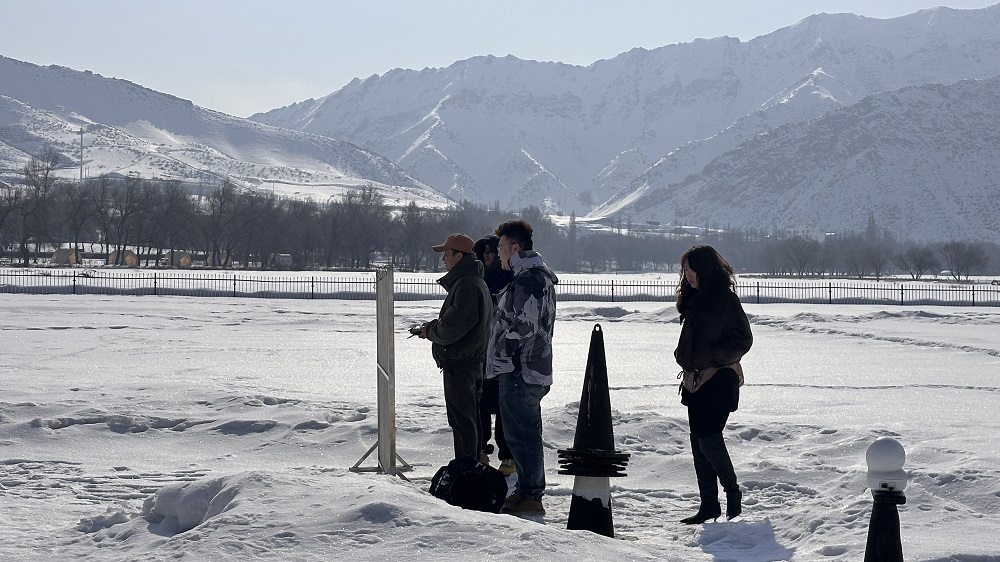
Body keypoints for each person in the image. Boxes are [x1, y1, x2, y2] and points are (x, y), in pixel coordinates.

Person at [673, 244, 753, 524]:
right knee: (698, 443)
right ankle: (709, 504)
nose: (688, 274)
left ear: (705, 269)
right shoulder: (694, 300)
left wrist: (712, 360)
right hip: (695, 382)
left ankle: (733, 492)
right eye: (685, 269)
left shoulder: (725, 300)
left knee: (708, 440)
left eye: (691, 268)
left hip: (719, 379)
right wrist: (684, 358)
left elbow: (743, 340)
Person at [486, 220, 558, 515]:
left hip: (522, 369)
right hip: (524, 368)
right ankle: (527, 490)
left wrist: (502, 352)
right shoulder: (528, 276)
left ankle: (531, 494)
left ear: (516, 248)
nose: (497, 254)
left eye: (501, 247)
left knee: (523, 434)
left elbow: (523, 326)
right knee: (520, 433)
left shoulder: (529, 278)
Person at [417, 233, 493, 461]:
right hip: (470, 362)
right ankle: (470, 466)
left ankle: (467, 470)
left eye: (446, 254)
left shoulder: (467, 285)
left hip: (462, 364)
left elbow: (452, 327)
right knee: (468, 418)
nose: (443, 260)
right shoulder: (472, 281)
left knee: (463, 421)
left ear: (459, 256)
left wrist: (430, 330)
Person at [473, 235, 515, 476]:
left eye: (491, 251)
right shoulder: (478, 280)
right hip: (481, 352)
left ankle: (507, 456)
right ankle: (480, 451)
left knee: (503, 408)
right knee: (480, 405)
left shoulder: (509, 279)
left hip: (501, 353)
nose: (488, 255)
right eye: (484, 251)